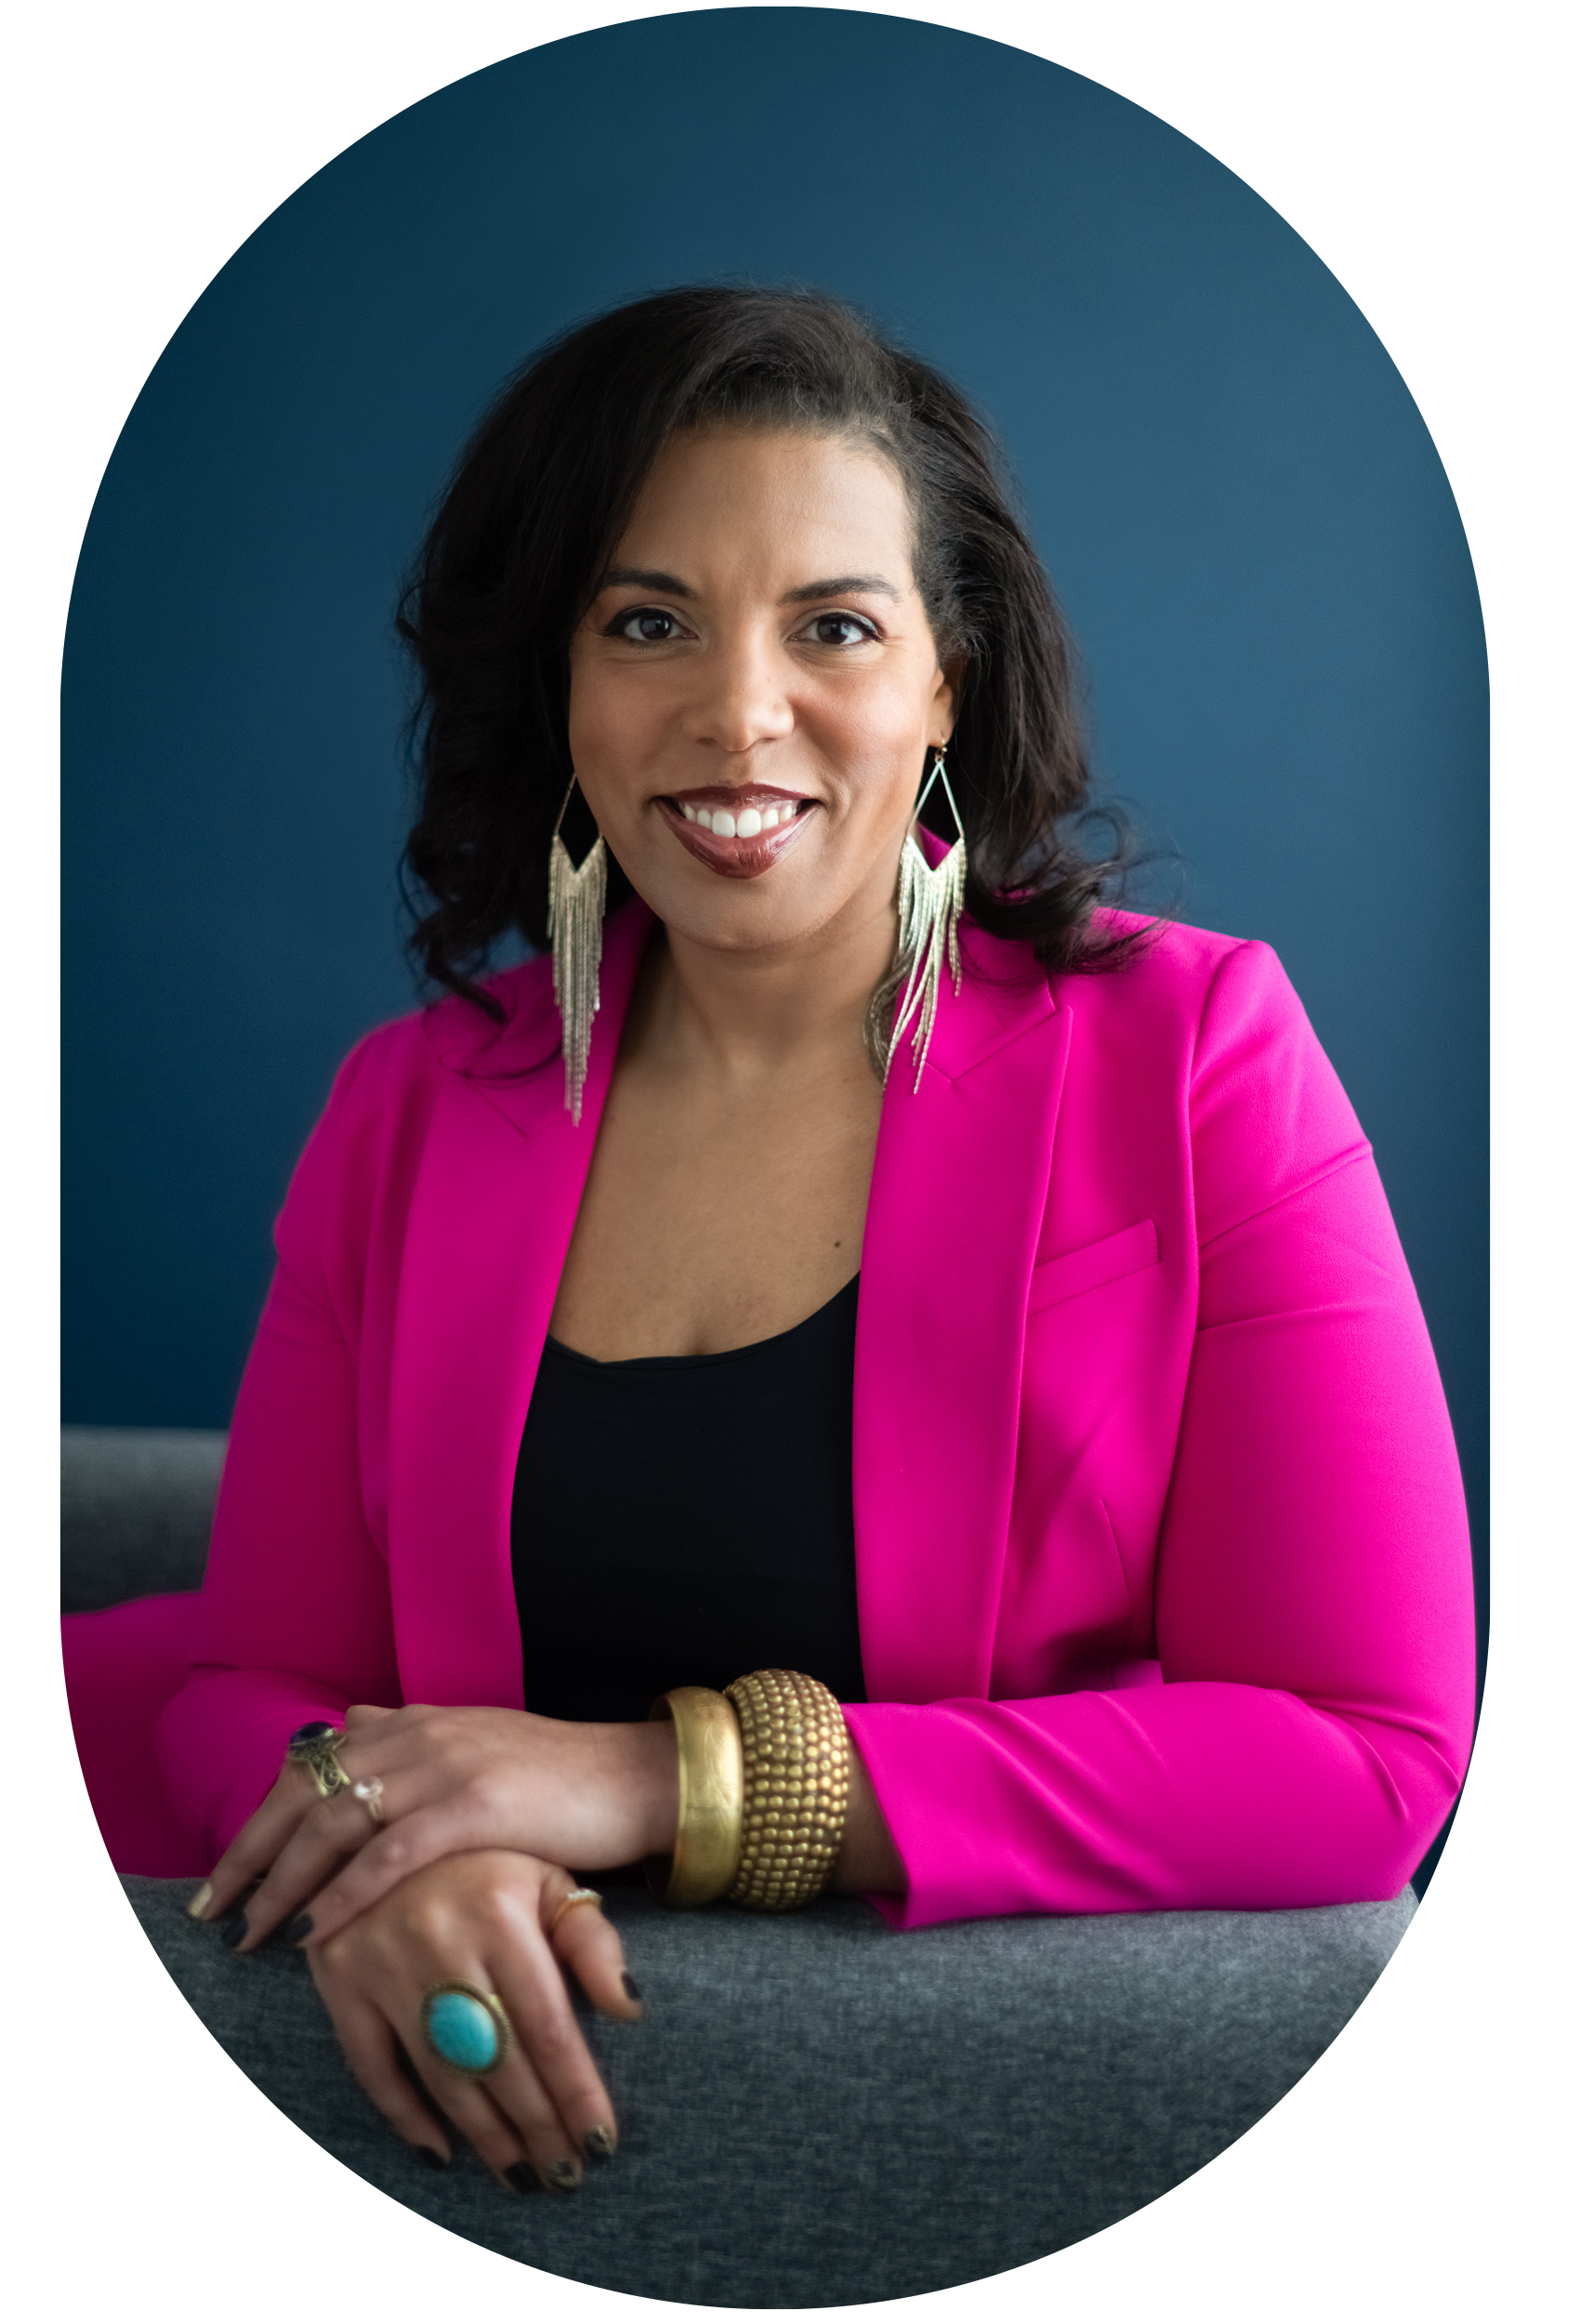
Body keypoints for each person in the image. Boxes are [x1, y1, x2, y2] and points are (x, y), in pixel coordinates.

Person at [156, 287, 1473, 2197]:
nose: (735, 712)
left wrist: (639, 1774)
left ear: (946, 679)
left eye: (832, 625)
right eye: (647, 623)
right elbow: (243, 1683)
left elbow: (1365, 1754)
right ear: (562, 685)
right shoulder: (411, 1106)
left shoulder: (1193, 1055)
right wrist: (382, 1846)